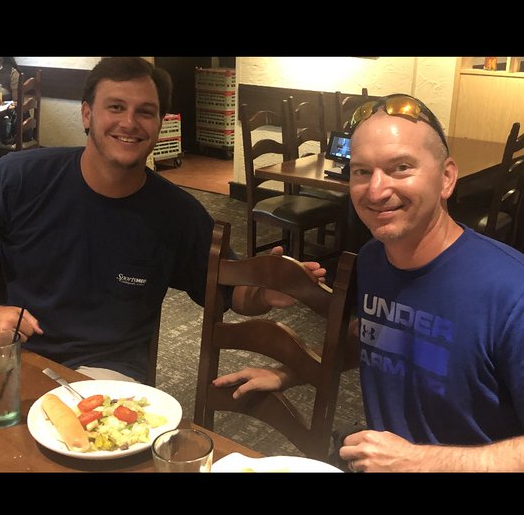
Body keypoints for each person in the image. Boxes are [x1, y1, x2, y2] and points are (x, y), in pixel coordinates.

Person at [213, 93, 524, 471]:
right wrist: (290, 373)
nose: (376, 191)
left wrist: (421, 461)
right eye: (361, 171)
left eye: (400, 168)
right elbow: (378, 335)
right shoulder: (375, 258)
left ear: (446, 178)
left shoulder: (512, 292)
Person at [0, 57, 324, 383]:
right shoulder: (16, 179)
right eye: (116, 107)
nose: (129, 122)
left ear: (159, 123)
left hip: (108, 377)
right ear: (87, 114)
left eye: (145, 112)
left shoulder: (177, 214)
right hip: (18, 358)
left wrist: (266, 290)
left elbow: (229, 292)